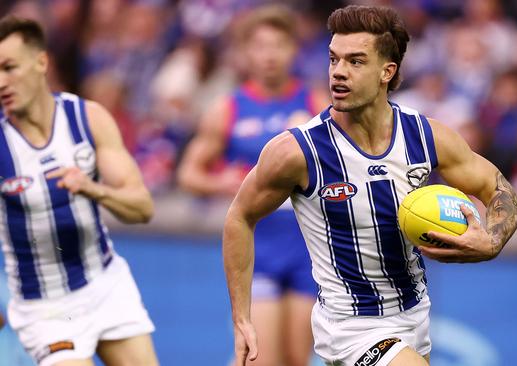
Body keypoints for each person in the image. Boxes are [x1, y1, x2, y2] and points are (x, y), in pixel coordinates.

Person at [223, 5, 517, 366]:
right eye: (334, 59)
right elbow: (239, 216)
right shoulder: (298, 151)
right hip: (350, 328)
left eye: (356, 61)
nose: (339, 73)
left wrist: (491, 239)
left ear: (387, 71)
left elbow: (499, 187)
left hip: (415, 314)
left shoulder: (426, 136)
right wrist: (242, 318)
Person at [0, 16, 158, 366]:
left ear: (41, 62)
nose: (1, 82)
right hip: (44, 307)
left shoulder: (88, 119)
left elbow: (142, 208)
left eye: (9, 67)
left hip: (105, 284)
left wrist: (93, 189)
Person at [177, 6, 328, 366]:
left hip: (308, 247)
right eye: (261, 46)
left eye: (279, 45)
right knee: (262, 359)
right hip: (257, 248)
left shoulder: (316, 104)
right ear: (246, 53)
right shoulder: (229, 108)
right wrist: (219, 182)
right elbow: (189, 173)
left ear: (294, 49)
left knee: (298, 357)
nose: (270, 55)